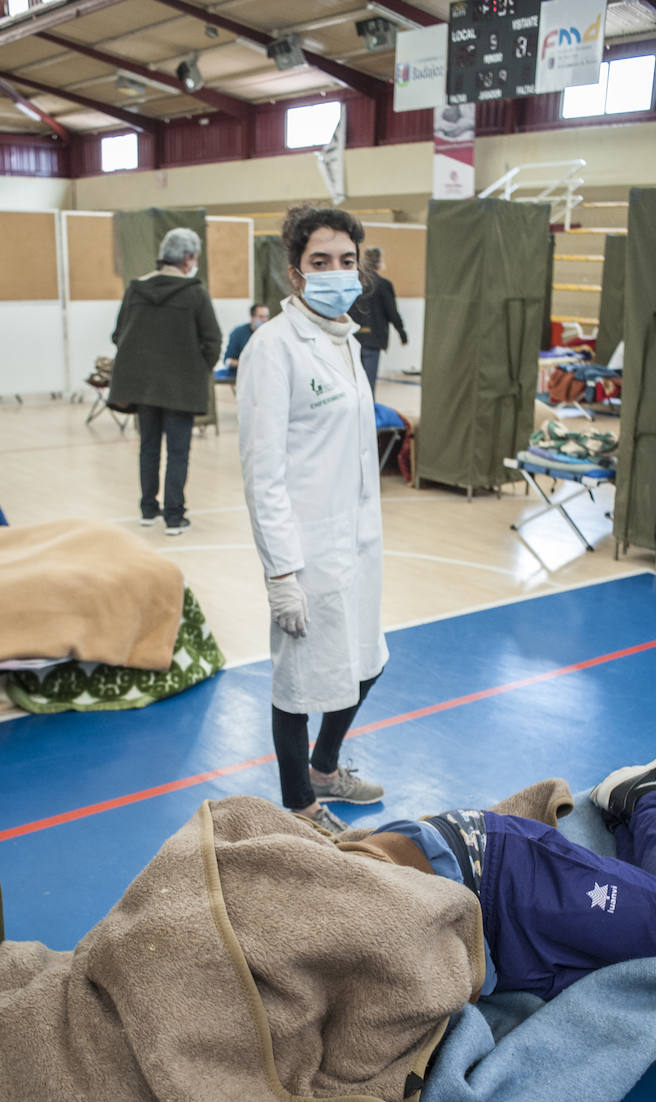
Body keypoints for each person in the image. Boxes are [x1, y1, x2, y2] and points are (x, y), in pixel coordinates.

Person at [359, 744, 656, 1001]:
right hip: (489, 946)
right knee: (634, 952)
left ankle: (653, 801)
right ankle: (628, 818)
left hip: (491, 876)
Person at [237, 204, 387, 836]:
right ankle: (300, 804)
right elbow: (262, 472)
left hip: (356, 540)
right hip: (305, 547)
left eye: (345, 261)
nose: (335, 272)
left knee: (367, 660)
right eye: (319, 261)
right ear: (296, 273)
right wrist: (281, 573)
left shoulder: (345, 339)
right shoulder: (273, 349)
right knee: (298, 682)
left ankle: (325, 767)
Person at [108, 227, 221, 536]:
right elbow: (213, 340)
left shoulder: (135, 289)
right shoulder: (195, 292)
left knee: (148, 448)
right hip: (180, 388)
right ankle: (174, 516)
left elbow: (118, 335)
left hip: (143, 387)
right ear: (188, 259)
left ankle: (148, 509)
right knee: (178, 451)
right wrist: (197, 369)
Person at [348, 246, 408, 395]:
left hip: (351, 338)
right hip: (372, 340)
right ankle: (368, 415)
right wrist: (402, 333)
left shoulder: (353, 283)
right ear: (379, 262)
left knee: (352, 385)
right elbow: (392, 312)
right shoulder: (383, 284)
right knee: (367, 386)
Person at [223, 303, 270, 373]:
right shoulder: (238, 333)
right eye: (261, 317)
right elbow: (228, 361)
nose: (264, 320)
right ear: (252, 317)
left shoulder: (270, 333)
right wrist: (248, 363)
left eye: (266, 317)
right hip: (242, 374)